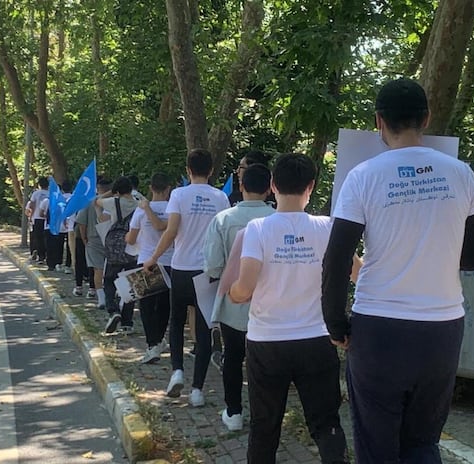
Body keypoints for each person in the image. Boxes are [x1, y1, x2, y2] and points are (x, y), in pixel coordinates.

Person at [321, 77, 474, 463]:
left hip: (379, 328)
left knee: (377, 445)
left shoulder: (363, 176)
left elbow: (336, 258)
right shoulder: (460, 173)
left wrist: (336, 325)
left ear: (379, 121)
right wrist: (440, 250)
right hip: (442, 329)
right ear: (427, 118)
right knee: (421, 443)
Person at [229, 153, 349, 464]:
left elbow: (245, 285)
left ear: (272, 185)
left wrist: (234, 292)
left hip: (266, 342)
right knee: (326, 423)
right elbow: (359, 271)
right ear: (311, 186)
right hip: (316, 339)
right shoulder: (328, 226)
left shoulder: (258, 229)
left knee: (264, 426)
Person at [143, 148, 230, 406]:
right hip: (208, 271)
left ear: (188, 170)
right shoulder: (221, 197)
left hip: (181, 268)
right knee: (204, 331)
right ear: (211, 170)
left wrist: (154, 258)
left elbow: (170, 232)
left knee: (177, 321)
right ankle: (197, 390)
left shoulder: (179, 195)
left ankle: (177, 371)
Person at [203, 163, 275, 431]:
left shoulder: (223, 219)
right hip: (270, 302)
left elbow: (212, 265)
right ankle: (264, 414)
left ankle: (233, 412)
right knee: (265, 361)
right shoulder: (277, 219)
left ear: (241, 186)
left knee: (233, 357)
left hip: (234, 302)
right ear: (270, 188)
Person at [126, 173, 174, 363]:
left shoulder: (140, 211)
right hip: (169, 261)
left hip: (145, 260)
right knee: (164, 306)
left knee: (146, 305)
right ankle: (159, 340)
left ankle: (151, 344)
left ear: (151, 188)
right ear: (168, 189)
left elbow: (130, 238)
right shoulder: (173, 209)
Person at [97, 176, 139, 334]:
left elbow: (98, 201)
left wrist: (110, 192)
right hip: (133, 246)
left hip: (115, 247)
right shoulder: (138, 204)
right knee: (130, 283)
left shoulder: (114, 203)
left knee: (109, 280)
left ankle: (113, 310)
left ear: (117, 190)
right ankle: (127, 323)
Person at [76, 177, 112, 309]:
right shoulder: (114, 201)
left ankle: (101, 298)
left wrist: (84, 238)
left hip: (94, 238)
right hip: (111, 239)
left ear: (97, 188)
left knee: (98, 269)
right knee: (113, 269)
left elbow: (81, 222)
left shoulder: (90, 202)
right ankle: (113, 296)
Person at [25, 177, 50, 264]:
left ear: (39, 185)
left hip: (37, 218)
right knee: (47, 238)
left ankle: (41, 257)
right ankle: (47, 255)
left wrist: (31, 217)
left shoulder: (36, 193)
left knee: (38, 238)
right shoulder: (51, 194)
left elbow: (32, 205)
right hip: (48, 218)